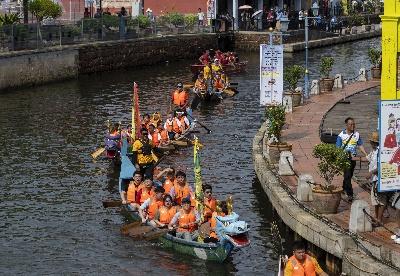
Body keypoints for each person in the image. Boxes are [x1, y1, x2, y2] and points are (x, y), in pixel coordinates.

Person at [355, 132, 384, 226]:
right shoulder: (374, 151)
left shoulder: (381, 151)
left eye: (372, 142)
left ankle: (379, 219)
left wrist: (371, 172)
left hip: (379, 178)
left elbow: (382, 165)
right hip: (374, 179)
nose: (371, 143)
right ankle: (376, 218)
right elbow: (368, 158)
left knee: (381, 199)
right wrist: (354, 158)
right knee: (375, 199)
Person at [336, 117, 367, 201]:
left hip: (353, 159)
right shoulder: (341, 135)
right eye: (350, 124)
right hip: (344, 159)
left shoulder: (356, 135)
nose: (352, 126)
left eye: (353, 124)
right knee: (348, 176)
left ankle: (344, 188)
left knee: (349, 176)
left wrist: (366, 155)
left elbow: (360, 145)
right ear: (346, 125)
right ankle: (350, 193)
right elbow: (338, 148)